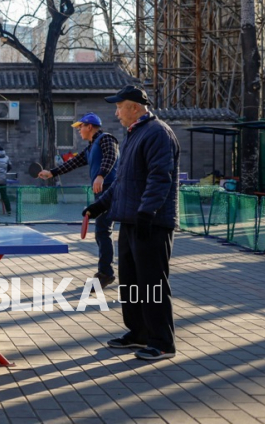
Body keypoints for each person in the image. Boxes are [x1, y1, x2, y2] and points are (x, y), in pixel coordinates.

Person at [83, 85, 180, 361]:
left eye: (119, 106)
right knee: (131, 282)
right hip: (130, 221)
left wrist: (147, 212)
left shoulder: (158, 133)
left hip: (151, 223)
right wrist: (100, 205)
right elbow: (124, 183)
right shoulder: (134, 134)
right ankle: (138, 333)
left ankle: (162, 342)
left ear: (135, 107)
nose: (116, 112)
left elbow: (160, 178)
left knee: (152, 284)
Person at [38, 113, 119, 288]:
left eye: (80, 127)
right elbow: (73, 163)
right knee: (104, 231)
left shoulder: (106, 139)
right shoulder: (91, 147)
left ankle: (106, 274)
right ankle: (107, 272)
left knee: (103, 231)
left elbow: (111, 156)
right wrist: (52, 172)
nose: (78, 131)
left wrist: (100, 175)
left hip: (111, 191)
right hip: (102, 192)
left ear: (89, 126)